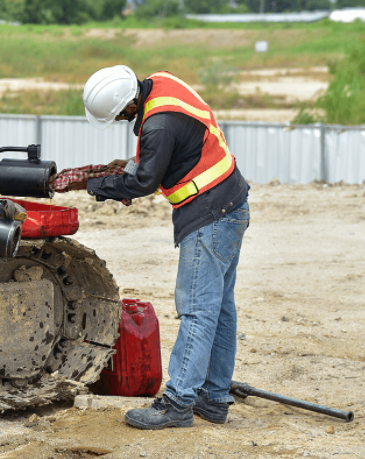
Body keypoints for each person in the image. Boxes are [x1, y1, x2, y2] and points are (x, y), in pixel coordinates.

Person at [83, 65, 250, 429]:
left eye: (117, 116)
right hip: (231, 203)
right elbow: (179, 148)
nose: (119, 121)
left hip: (209, 213)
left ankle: (177, 403)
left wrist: (99, 186)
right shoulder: (161, 83)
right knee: (219, 309)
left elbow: (144, 181)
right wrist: (126, 167)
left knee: (197, 310)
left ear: (128, 105)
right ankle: (214, 397)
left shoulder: (156, 126)